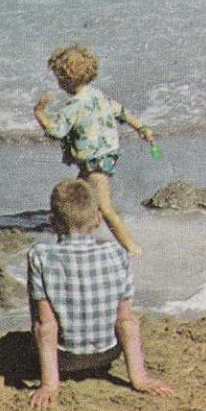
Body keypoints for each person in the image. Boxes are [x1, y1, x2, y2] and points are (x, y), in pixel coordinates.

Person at [27, 179, 172, 407]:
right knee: (124, 314)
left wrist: (49, 386)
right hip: (107, 353)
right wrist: (140, 379)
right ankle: (137, 375)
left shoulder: (40, 256)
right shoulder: (116, 252)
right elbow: (126, 321)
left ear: (53, 222)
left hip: (64, 358)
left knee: (43, 315)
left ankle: (53, 378)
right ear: (97, 219)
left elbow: (46, 328)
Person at [34, 45, 153, 255]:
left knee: (105, 207)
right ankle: (76, 229)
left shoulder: (74, 105)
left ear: (65, 79)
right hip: (107, 155)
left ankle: (132, 248)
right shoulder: (98, 95)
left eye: (58, 78)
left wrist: (40, 112)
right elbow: (122, 112)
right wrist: (142, 128)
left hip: (94, 160)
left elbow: (56, 131)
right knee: (79, 193)